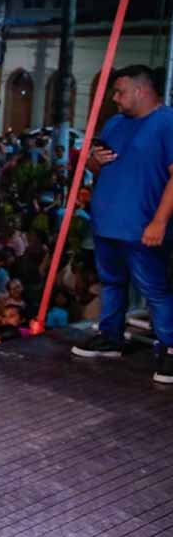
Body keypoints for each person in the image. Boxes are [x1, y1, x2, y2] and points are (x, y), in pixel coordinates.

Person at [71, 65, 173, 383]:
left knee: (155, 289)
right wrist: (93, 162)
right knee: (111, 283)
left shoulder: (167, 122)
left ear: (141, 91)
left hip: (141, 226)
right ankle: (111, 337)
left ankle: (170, 348)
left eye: (120, 91)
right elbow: (96, 166)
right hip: (107, 224)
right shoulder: (115, 123)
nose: (115, 98)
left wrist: (159, 221)